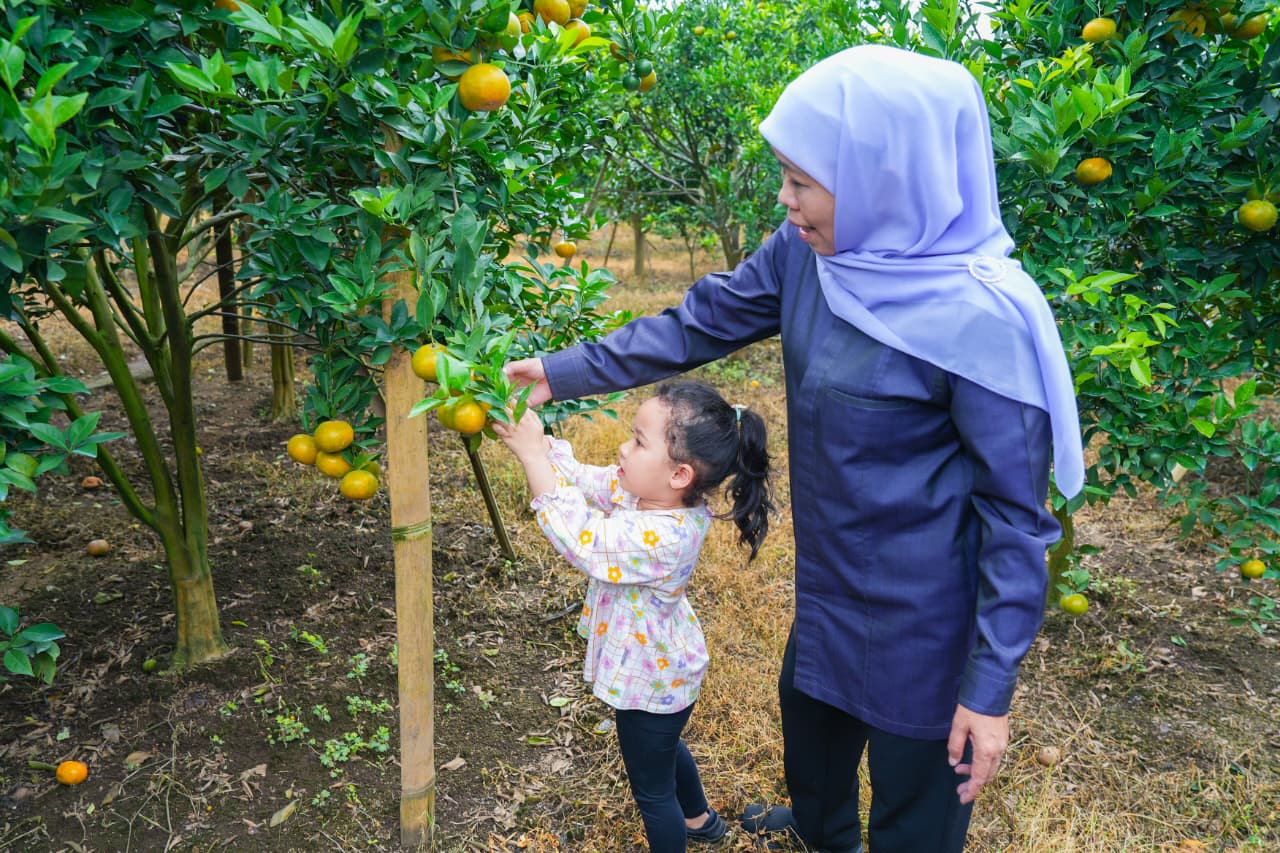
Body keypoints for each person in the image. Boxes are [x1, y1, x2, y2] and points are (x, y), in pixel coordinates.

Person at [504, 44, 1086, 853]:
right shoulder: (807, 256)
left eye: (802, 180)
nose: (785, 199)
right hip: (830, 584)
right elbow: (695, 324)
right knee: (813, 756)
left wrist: (988, 689)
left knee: (915, 814)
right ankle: (822, 831)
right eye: (785, 175)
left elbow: (1015, 518)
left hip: (927, 617)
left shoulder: (979, 321)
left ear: (883, 180)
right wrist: (558, 373)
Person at [493, 380, 775, 852]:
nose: (624, 449)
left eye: (639, 442)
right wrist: (540, 443)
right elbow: (586, 479)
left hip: (652, 682)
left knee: (653, 792)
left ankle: (688, 825)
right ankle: (701, 821)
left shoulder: (664, 535)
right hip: (658, 672)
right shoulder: (650, 495)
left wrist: (533, 458)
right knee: (665, 751)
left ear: (679, 475)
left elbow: (583, 540)